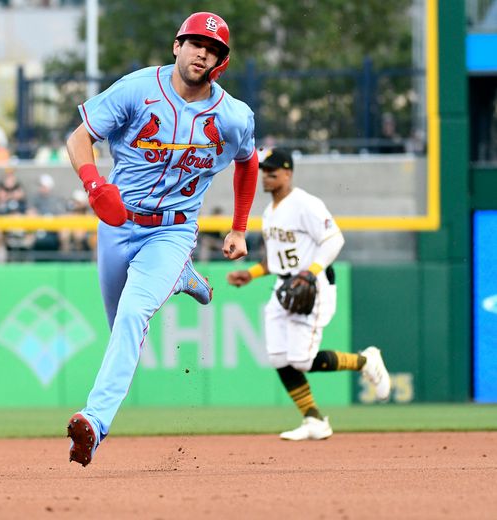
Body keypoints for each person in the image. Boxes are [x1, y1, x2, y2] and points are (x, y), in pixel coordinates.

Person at [64, 12, 258, 466]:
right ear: (177, 46)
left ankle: (94, 423)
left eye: (212, 49)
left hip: (173, 229)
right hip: (117, 222)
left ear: (220, 62)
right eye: (194, 43)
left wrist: (240, 226)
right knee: (121, 328)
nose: (201, 52)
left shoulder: (232, 116)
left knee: (134, 314)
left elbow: (248, 163)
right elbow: (79, 138)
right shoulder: (137, 89)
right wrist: (94, 184)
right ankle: (183, 278)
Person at [226, 148, 391, 441]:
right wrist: (250, 274)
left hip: (313, 286)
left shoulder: (305, 204)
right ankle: (313, 419)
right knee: (279, 358)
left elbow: (334, 240)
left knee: (301, 361)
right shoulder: (269, 211)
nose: (266, 176)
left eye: (272, 171)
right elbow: (278, 259)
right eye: (263, 171)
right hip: (284, 286)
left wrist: (309, 272)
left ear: (288, 173)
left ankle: (365, 361)